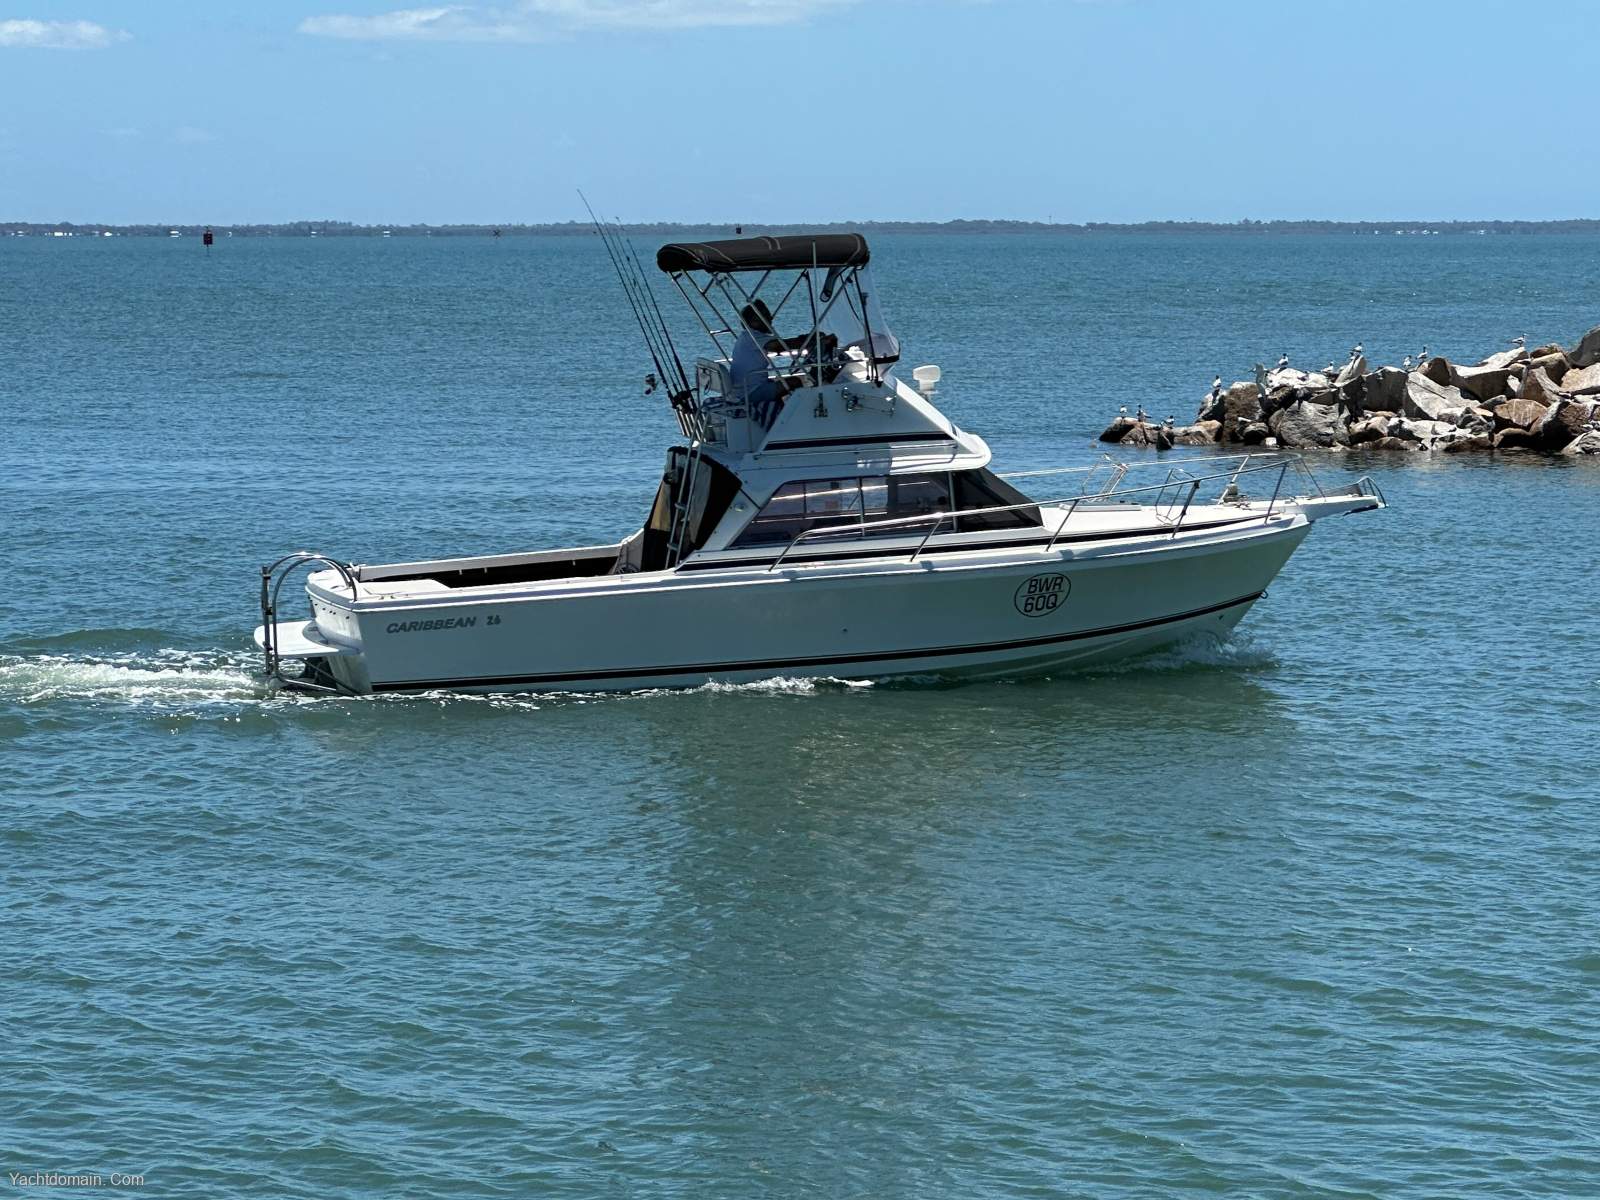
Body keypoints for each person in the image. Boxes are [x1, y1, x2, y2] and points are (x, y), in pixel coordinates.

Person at [731, 301, 779, 424]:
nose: (770, 319)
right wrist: (806, 340)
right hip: (751, 392)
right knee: (797, 382)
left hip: (742, 390)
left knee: (778, 383)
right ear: (753, 322)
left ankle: (780, 416)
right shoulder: (755, 338)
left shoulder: (745, 336)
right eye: (765, 316)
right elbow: (778, 346)